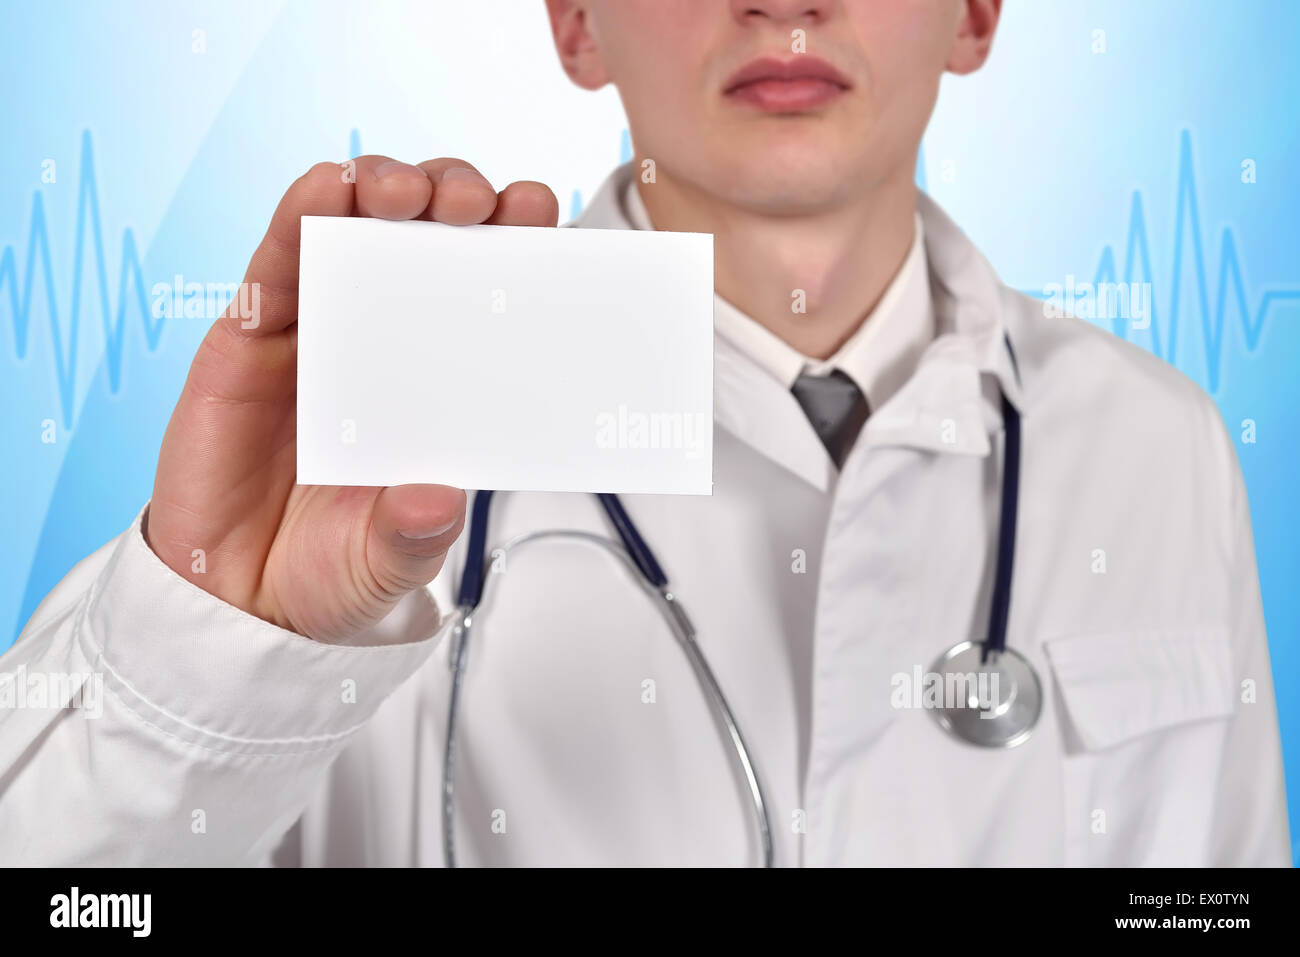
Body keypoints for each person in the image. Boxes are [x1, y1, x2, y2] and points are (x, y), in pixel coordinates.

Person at [0, 0, 1289, 866]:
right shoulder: (362, 439)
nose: (785, 4)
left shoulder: (1159, 449)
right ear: (575, 19)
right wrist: (214, 650)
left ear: (977, 12)